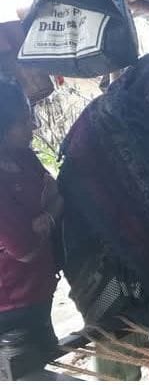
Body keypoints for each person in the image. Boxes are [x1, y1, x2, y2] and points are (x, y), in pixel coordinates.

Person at [58, 53, 149, 380]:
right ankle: (117, 377)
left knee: (148, 302)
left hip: (130, 233)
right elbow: (132, 184)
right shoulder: (112, 118)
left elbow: (147, 187)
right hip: (94, 237)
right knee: (111, 315)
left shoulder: (140, 118)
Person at [0, 80, 60, 350]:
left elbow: (58, 194)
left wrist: (44, 220)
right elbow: (23, 250)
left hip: (39, 289)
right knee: (28, 363)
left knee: (46, 352)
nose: (33, 126)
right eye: (23, 122)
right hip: (11, 303)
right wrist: (49, 211)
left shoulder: (24, 157)